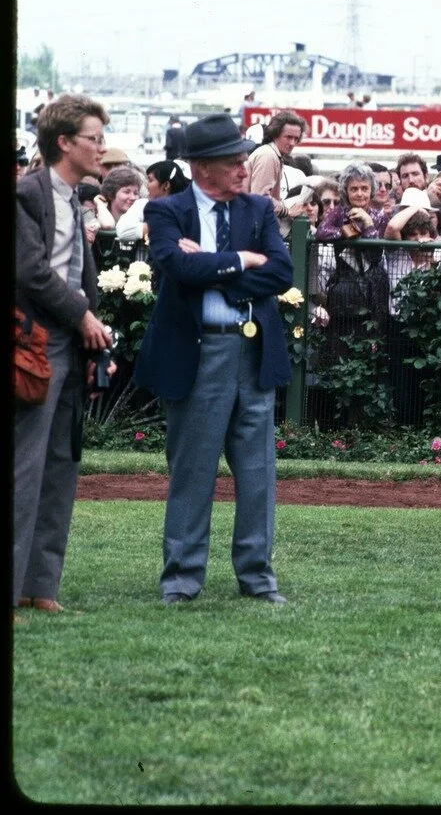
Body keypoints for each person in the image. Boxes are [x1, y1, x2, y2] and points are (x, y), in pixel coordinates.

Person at [134, 113, 295, 605]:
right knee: (193, 470)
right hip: (198, 351)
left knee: (257, 473)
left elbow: (282, 274)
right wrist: (244, 261)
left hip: (251, 351)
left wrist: (215, 269)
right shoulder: (167, 211)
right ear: (204, 168)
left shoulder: (258, 210)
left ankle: (257, 577)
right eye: (234, 163)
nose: (244, 171)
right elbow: (175, 265)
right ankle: (181, 579)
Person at [14, 95, 116, 620]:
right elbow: (30, 272)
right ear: (63, 142)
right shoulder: (28, 194)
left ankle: (40, 587)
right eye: (94, 138)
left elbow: (75, 275)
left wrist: (92, 343)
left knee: (60, 467)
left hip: (71, 347)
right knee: (22, 469)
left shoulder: (76, 198)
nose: (102, 147)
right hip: (31, 345)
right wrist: (83, 319)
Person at [245, 110, 306, 237]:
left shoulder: (271, 154)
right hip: (253, 231)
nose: (292, 143)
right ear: (275, 134)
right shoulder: (268, 156)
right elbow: (261, 198)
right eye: (288, 137)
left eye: (296, 138)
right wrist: (287, 211)